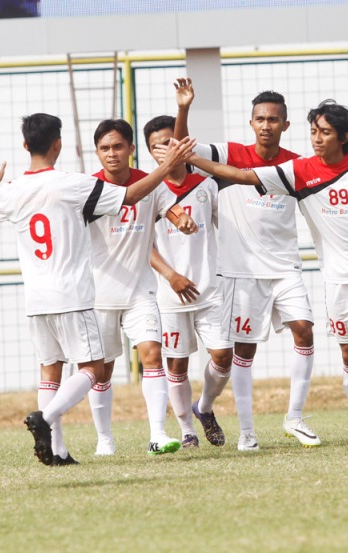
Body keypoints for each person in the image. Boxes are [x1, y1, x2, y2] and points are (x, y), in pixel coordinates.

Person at [184, 99, 348, 453]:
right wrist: (191, 159)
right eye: (314, 131)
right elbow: (242, 175)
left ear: (345, 136)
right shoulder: (298, 170)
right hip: (335, 275)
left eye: (324, 132)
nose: (317, 138)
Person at [0, 113, 196, 465]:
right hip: (76, 294)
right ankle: (47, 420)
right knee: (94, 369)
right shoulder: (73, 184)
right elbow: (127, 197)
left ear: (24, 145)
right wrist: (167, 165)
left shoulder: (13, 188)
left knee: (51, 369)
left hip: (36, 299)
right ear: (58, 144)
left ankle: (60, 450)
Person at [173, 78, 321, 451]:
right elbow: (181, 149)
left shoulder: (297, 165)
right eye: (260, 119)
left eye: (273, 119)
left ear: (285, 125)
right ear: (251, 122)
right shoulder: (229, 153)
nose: (266, 125)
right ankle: (246, 433)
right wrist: (184, 108)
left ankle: (295, 417)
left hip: (285, 268)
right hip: (239, 273)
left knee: (304, 330)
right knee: (244, 352)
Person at [87, 118, 197, 456]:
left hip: (140, 292)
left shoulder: (151, 184)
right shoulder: (89, 188)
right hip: (99, 294)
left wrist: (182, 221)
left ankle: (157, 434)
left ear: (131, 149)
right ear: (97, 152)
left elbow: (171, 208)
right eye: (105, 148)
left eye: (118, 146)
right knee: (101, 371)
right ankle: (104, 439)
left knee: (152, 355)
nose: (112, 154)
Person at [144, 115, 234, 448]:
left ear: (182, 144)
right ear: (150, 152)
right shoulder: (148, 190)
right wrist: (171, 275)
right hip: (170, 294)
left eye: (170, 142)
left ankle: (204, 407)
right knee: (176, 364)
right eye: (156, 146)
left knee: (224, 355)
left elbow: (224, 228)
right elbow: (142, 245)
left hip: (210, 289)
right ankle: (186, 430)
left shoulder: (206, 185)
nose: (164, 150)